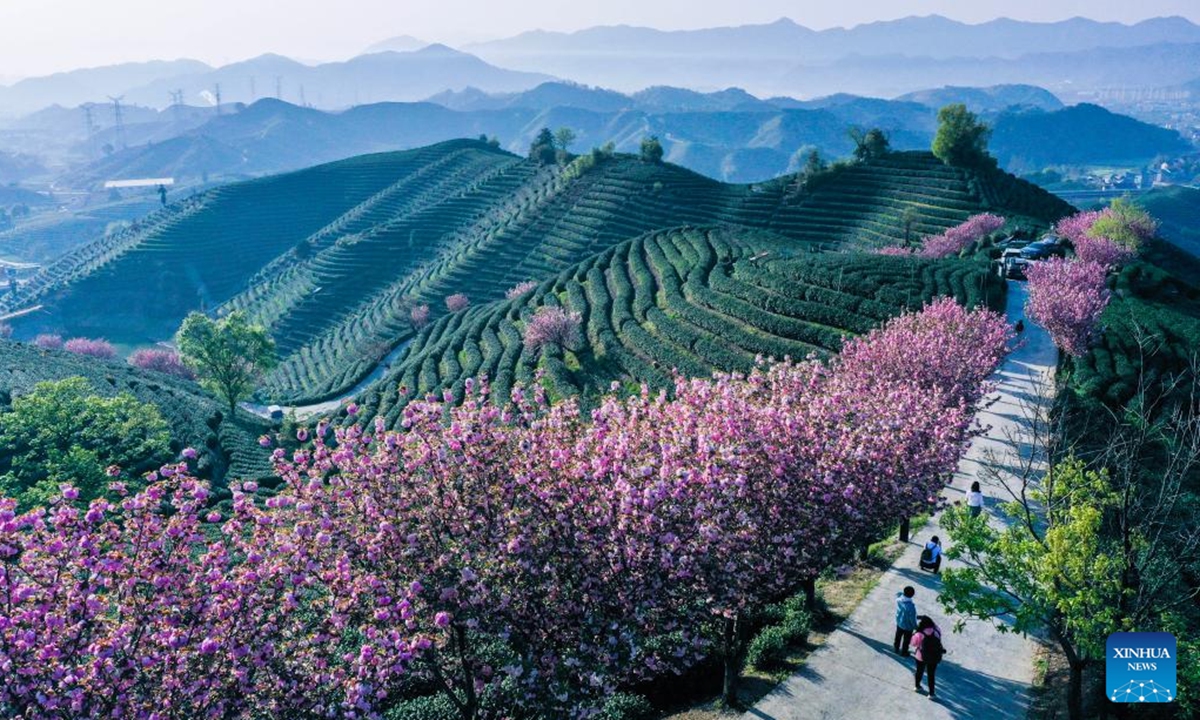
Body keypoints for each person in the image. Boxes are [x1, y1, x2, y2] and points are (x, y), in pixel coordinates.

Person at [912, 615, 945, 700]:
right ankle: (931, 693)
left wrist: (915, 632)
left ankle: (917, 686)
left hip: (920, 656)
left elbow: (913, 644)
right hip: (934, 656)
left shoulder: (919, 634)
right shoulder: (936, 630)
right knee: (931, 675)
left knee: (919, 671)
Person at [893, 586, 918, 656]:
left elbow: (898, 594)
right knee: (906, 640)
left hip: (899, 622)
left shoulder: (899, 599)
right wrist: (915, 627)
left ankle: (896, 648)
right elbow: (912, 619)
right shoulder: (911, 607)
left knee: (898, 636)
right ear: (912, 595)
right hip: (908, 627)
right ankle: (904, 652)